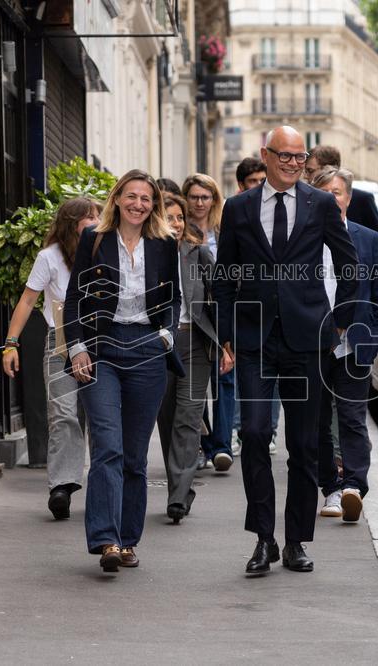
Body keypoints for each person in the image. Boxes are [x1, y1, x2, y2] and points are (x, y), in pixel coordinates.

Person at [215, 125, 358, 575]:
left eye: (301, 157)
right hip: (255, 339)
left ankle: (296, 540)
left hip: (308, 338)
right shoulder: (238, 208)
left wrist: (339, 322)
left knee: (302, 444)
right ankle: (263, 539)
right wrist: (225, 333)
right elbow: (223, 276)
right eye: (286, 156)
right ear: (266, 154)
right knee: (255, 434)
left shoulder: (319, 204)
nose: (295, 163)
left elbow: (348, 261)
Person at [63, 169, 183, 573]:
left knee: (134, 455)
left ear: (154, 204)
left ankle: (128, 539)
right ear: (117, 199)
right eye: (131, 196)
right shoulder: (93, 238)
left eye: (146, 198)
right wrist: (77, 347)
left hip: (147, 350)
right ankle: (106, 539)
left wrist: (166, 336)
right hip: (101, 350)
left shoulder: (165, 243)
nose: (138, 204)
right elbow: (74, 297)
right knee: (108, 446)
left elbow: (174, 298)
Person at [1, 197, 100, 520]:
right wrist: (10, 343)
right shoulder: (50, 257)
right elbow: (28, 301)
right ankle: (62, 485)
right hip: (59, 345)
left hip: (101, 344)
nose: (96, 221)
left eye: (98, 216)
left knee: (101, 417)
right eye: (89, 217)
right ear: (73, 224)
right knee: (64, 415)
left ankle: (103, 485)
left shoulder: (105, 249)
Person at [311, 166, 378, 522]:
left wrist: (371, 339)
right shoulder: (302, 238)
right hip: (312, 345)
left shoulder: (367, 238)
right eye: (325, 192)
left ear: (348, 197)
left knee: (352, 419)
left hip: (354, 346)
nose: (332, 198)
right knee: (317, 422)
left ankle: (353, 487)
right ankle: (330, 487)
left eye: (338, 192)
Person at [156, 193, 233, 523]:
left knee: (188, 418)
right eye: (168, 217)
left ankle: (177, 496)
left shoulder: (197, 253)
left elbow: (218, 299)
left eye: (178, 218)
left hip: (193, 342)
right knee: (167, 419)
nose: (174, 224)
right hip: (154, 346)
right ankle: (180, 487)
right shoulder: (144, 255)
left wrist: (227, 344)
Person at [182, 174, 235, 471]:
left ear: (214, 200)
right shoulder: (179, 230)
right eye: (194, 197)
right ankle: (203, 445)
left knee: (225, 378)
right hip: (194, 317)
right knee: (196, 384)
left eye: (206, 197)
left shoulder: (224, 231)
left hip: (224, 313)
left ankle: (222, 447)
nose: (200, 203)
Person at [230, 158, 280, 457]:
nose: (260, 185)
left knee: (270, 380)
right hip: (242, 309)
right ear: (241, 185)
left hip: (273, 311)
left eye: (263, 179)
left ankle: (269, 431)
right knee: (241, 377)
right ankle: (240, 430)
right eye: (253, 181)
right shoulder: (235, 212)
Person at [303, 145, 378, 262]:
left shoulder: (362, 199)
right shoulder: (303, 199)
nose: (305, 176)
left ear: (327, 168)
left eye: (310, 171)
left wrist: (375, 269)